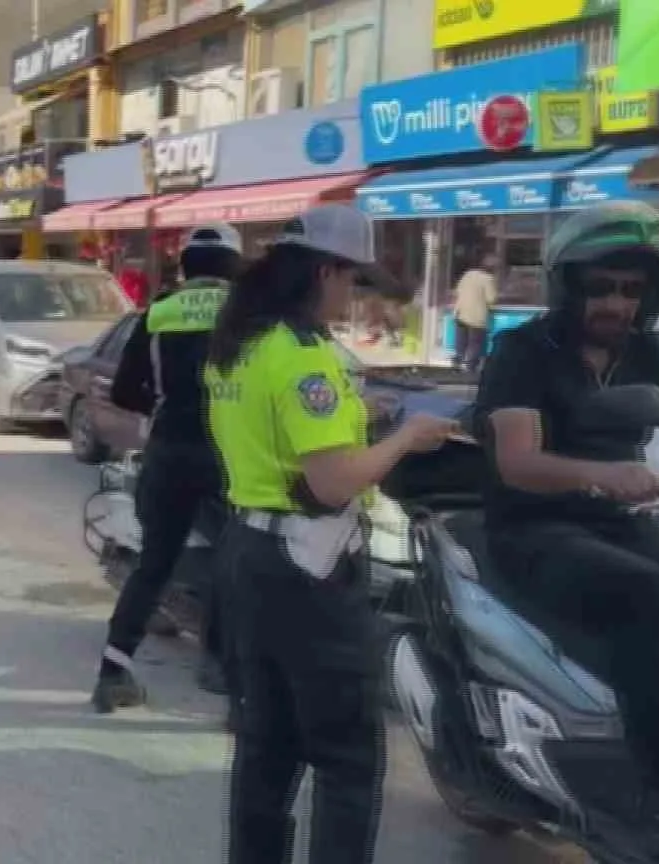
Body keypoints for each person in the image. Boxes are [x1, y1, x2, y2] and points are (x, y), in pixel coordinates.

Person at [205, 204, 455, 864]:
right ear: (323, 272)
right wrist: (405, 436)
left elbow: (281, 435)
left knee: (268, 744)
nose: (353, 296)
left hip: (250, 552)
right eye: (352, 281)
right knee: (347, 757)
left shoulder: (245, 344)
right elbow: (332, 484)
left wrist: (359, 411)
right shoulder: (303, 360)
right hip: (307, 562)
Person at [476, 201, 659, 790]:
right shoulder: (523, 353)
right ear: (567, 286)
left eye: (631, 290)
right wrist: (605, 474)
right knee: (643, 587)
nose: (617, 303)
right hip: (532, 528)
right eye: (601, 288)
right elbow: (517, 464)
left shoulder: (645, 354)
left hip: (618, 521)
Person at [91, 224, 244, 716]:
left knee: (154, 564)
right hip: (230, 455)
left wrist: (161, 402)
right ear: (235, 267)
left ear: (185, 267)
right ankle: (219, 666)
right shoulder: (250, 317)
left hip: (169, 450)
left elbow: (123, 393)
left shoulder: (159, 313)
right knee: (233, 559)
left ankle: (113, 671)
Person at [452, 252, 498, 373]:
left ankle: (456, 363)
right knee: (475, 343)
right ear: (492, 268)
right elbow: (491, 299)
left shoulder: (468, 274)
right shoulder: (488, 279)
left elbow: (458, 290)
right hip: (477, 317)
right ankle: (470, 367)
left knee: (461, 341)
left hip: (460, 313)